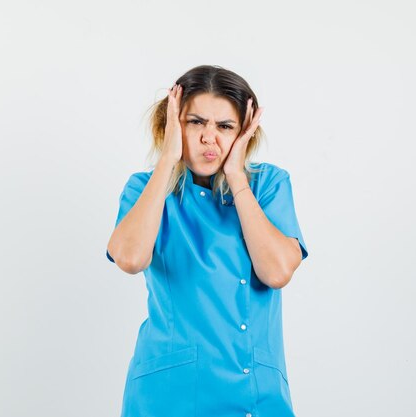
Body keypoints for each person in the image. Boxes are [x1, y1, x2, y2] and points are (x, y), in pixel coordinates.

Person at [105, 64, 309, 417]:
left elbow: (276, 272)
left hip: (255, 395)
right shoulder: (146, 189)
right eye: (195, 122)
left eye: (225, 126)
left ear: (244, 132)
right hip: (167, 397)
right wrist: (168, 160)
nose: (208, 137)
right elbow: (129, 258)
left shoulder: (267, 185)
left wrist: (236, 177)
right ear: (172, 124)